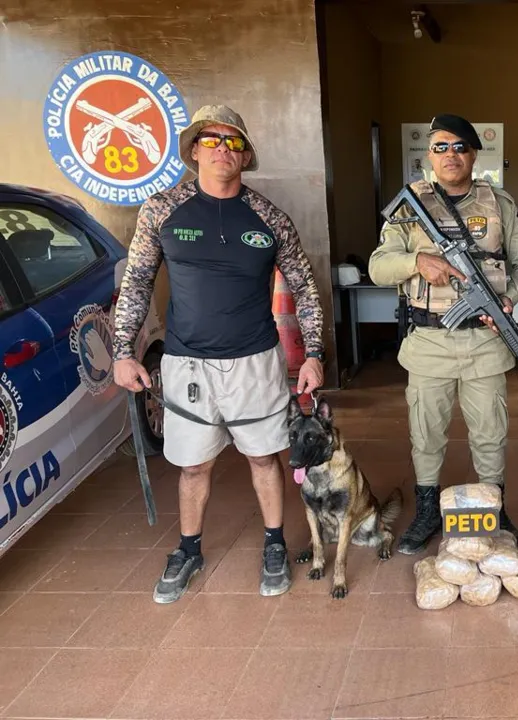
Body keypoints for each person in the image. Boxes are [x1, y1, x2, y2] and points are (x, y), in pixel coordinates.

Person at [112, 105, 326, 603]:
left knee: (263, 458)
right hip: (187, 363)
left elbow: (305, 289)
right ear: (193, 150)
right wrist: (124, 351)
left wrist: (314, 354)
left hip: (256, 360)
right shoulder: (162, 210)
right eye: (211, 140)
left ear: (246, 155)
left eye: (233, 142)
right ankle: (188, 549)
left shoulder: (270, 217)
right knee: (193, 466)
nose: (222, 150)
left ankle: (274, 543)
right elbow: (138, 280)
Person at [368, 114, 518, 555]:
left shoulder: (498, 203)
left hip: (484, 342)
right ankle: (428, 509)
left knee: (490, 432)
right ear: (429, 154)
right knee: (426, 433)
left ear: (474, 154)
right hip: (428, 341)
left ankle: (494, 508)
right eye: (442, 147)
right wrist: (417, 262)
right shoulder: (409, 207)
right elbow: (377, 266)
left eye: (461, 147)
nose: (452, 155)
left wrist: (509, 298)